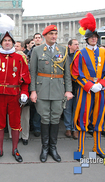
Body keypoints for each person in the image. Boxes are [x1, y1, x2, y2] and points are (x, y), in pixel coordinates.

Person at [70, 13, 105, 159]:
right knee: (83, 118)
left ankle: (97, 148)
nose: (94, 39)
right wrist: (89, 86)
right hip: (86, 91)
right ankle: (80, 149)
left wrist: (103, 84)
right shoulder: (80, 53)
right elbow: (76, 74)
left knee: (99, 118)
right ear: (86, 39)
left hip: (101, 91)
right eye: (91, 37)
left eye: (95, 37)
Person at [0, 14, 31, 163]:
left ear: (13, 42)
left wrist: (24, 93)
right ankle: (0, 150)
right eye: (5, 40)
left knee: (16, 124)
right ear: (1, 42)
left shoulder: (20, 58)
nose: (7, 43)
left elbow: (25, 79)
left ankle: (15, 149)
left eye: (9, 40)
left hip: (14, 96)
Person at [30, 25, 73, 163]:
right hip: (42, 89)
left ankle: (53, 148)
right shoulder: (37, 50)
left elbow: (67, 73)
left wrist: (68, 90)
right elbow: (33, 72)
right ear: (45, 36)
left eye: (55, 33)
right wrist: (33, 91)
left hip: (58, 89)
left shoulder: (63, 50)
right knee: (44, 118)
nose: (54, 36)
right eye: (51, 34)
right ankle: (44, 147)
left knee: (55, 118)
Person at [63, 39, 79, 139]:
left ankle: (74, 128)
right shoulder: (65, 56)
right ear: (69, 46)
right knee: (67, 107)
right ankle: (68, 128)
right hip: (67, 84)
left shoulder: (80, 55)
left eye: (78, 44)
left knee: (76, 107)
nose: (77, 46)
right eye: (75, 44)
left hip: (78, 84)